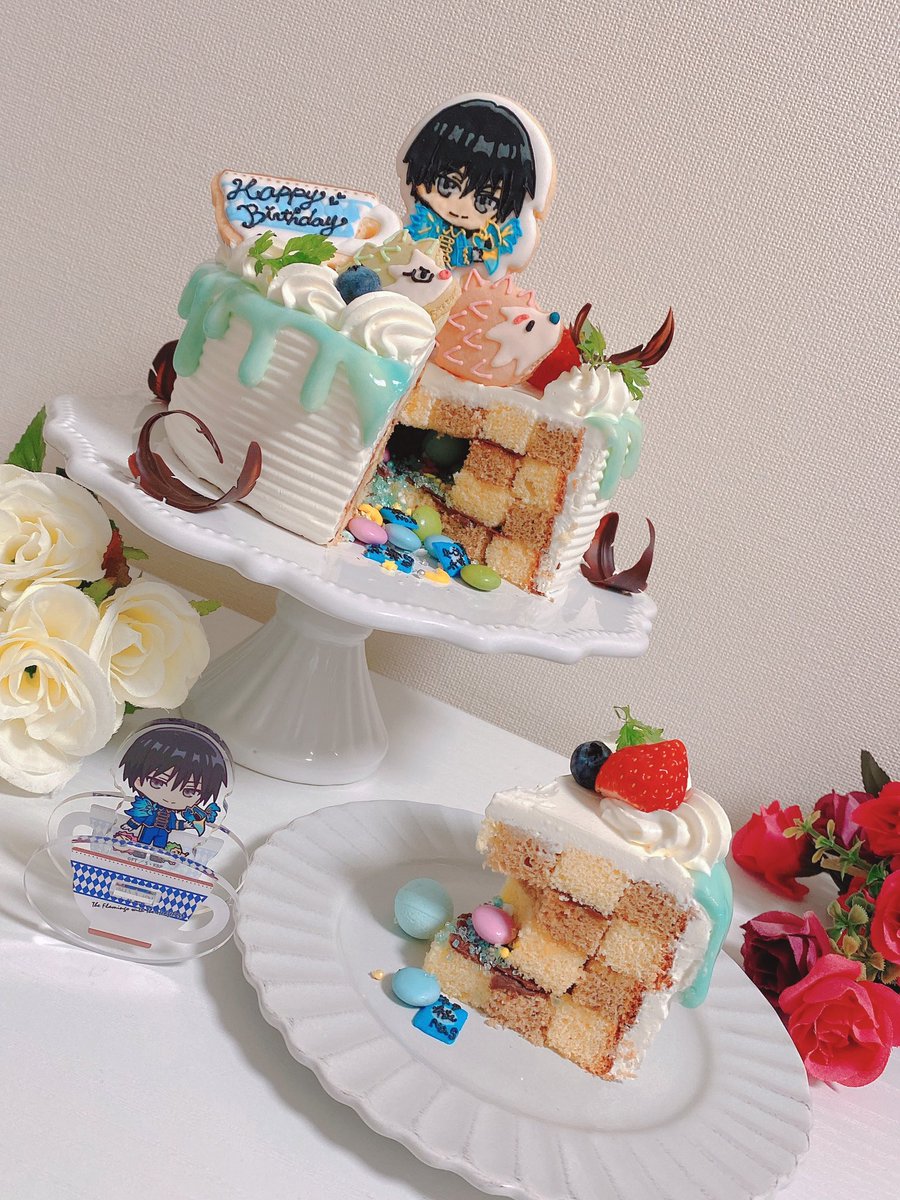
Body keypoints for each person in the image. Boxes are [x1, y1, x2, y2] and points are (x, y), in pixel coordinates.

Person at [402, 98, 537, 275]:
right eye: (447, 185)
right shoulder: (422, 226)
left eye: (484, 201)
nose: (460, 208)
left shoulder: (486, 240)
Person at [113, 721, 229, 851]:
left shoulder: (171, 814)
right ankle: (138, 853)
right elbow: (139, 818)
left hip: (164, 832)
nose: (170, 797)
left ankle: (157, 857)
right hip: (148, 828)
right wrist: (131, 825)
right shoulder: (149, 809)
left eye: (189, 791)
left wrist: (186, 825)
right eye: (157, 782)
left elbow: (174, 824)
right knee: (143, 843)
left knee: (160, 847)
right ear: (138, 781)